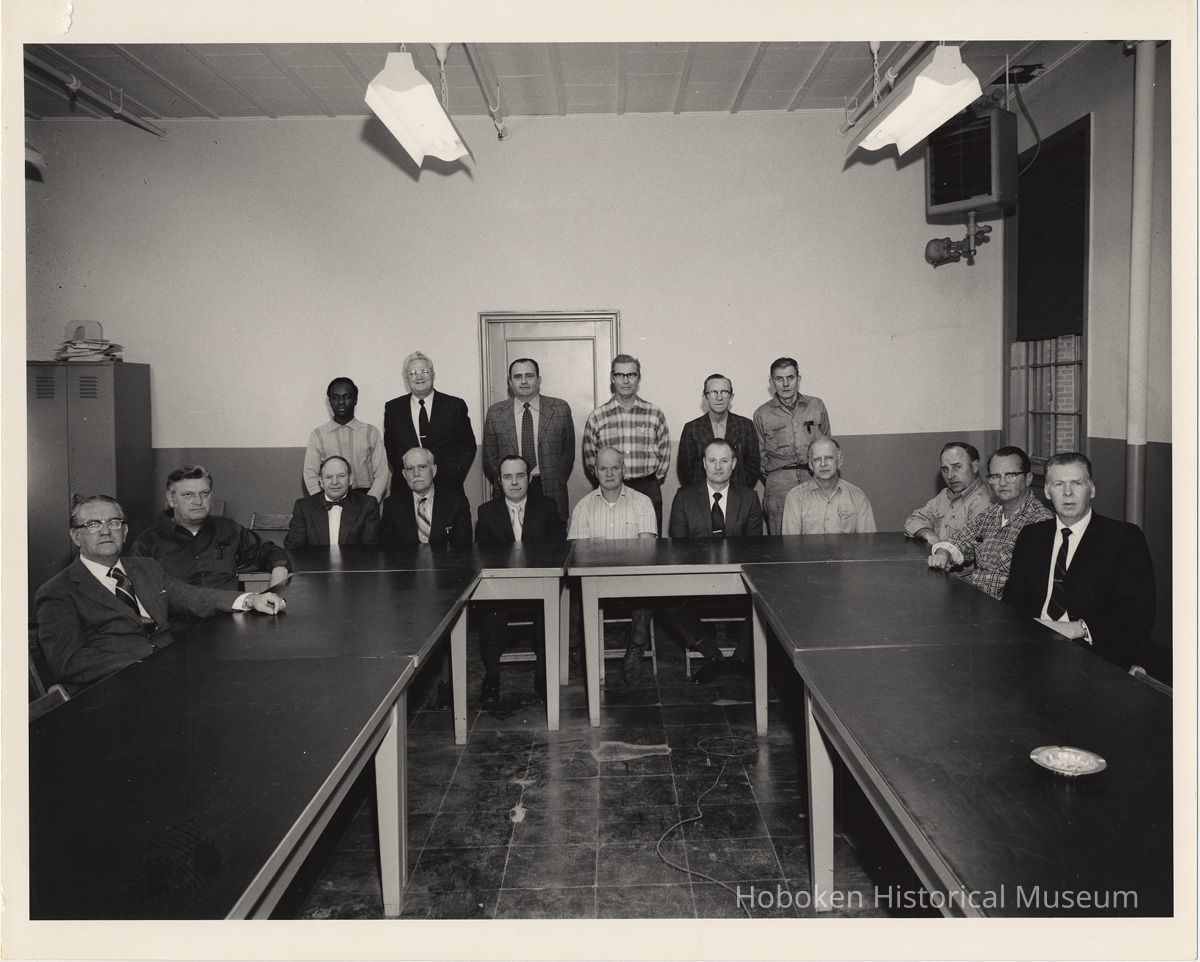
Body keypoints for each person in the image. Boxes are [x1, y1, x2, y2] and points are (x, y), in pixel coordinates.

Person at [36, 495, 286, 692]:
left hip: (172, 678)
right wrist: (148, 661)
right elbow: (69, 663)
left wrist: (250, 599)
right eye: (93, 524)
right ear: (76, 536)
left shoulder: (146, 567)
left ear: (124, 532)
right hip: (111, 689)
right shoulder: (58, 592)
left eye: (113, 523)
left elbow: (190, 596)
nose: (105, 531)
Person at [1003, 452, 1156, 671]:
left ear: (1091, 489)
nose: (1067, 493)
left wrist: (1079, 628)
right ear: (1047, 491)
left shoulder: (1123, 537)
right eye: (1058, 484)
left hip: (1091, 651)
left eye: (1076, 483)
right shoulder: (1031, 535)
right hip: (1034, 648)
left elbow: (1139, 611)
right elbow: (1013, 600)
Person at [665, 439, 764, 682]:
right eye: (712, 460)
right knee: (664, 599)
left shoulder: (749, 498)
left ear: (734, 464)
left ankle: (740, 658)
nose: (718, 466)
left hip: (737, 583)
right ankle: (713, 657)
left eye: (724, 460)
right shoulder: (684, 498)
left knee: (766, 599)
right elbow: (679, 548)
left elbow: (753, 550)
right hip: (696, 584)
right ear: (703, 464)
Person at [474, 454, 567, 704]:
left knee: (547, 607)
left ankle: (543, 674)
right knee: (490, 609)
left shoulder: (546, 507)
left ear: (529, 479)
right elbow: (484, 557)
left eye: (520, 476)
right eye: (507, 477)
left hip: (539, 583)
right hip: (502, 587)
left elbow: (558, 549)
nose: (514, 482)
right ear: (499, 482)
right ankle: (492, 676)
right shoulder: (486, 513)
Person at [567, 446, 657, 682]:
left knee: (647, 586)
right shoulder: (582, 507)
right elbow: (578, 555)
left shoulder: (643, 503)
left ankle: (636, 649)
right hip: (592, 582)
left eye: (615, 468)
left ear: (623, 470)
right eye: (603, 468)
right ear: (595, 471)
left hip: (631, 581)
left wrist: (599, 546)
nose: (609, 474)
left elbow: (646, 551)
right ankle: (576, 651)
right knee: (570, 589)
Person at [130, 465, 290, 590]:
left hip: (228, 619)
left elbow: (270, 551)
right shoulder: (147, 543)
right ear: (171, 499)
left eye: (204, 493)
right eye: (188, 495)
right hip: (177, 625)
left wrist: (279, 571)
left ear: (211, 496)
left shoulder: (228, 529)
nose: (198, 501)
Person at [927, 445, 1054, 599]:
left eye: (1011, 475)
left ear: (1028, 479)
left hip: (1007, 610)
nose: (1002, 482)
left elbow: (1029, 590)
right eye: (995, 476)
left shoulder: (1041, 522)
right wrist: (944, 553)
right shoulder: (991, 514)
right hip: (974, 599)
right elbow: (960, 540)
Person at [581, 354, 671, 533]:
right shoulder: (598, 416)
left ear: (638, 378)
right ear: (613, 378)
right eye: (620, 375)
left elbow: (665, 453)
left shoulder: (654, 414)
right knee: (612, 541)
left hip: (647, 487)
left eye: (631, 375)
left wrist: (649, 480)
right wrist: (609, 480)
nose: (626, 380)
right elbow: (591, 458)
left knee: (650, 548)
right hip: (611, 488)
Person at [481, 357, 575, 524]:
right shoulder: (495, 413)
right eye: (518, 377)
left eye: (529, 376)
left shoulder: (560, 409)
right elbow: (490, 458)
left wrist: (555, 477)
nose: (523, 381)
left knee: (552, 544)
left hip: (549, 488)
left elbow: (567, 455)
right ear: (510, 382)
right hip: (512, 488)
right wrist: (508, 481)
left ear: (538, 380)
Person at [753, 357, 832, 534]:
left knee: (818, 534)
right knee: (781, 541)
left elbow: (828, 445)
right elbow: (759, 456)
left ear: (799, 378)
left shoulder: (816, 406)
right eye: (779, 379)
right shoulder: (762, 413)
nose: (786, 384)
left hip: (814, 479)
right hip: (779, 486)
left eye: (791, 377)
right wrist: (776, 477)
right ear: (772, 382)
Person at [382, 352, 477, 495]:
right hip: (406, 490)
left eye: (424, 371)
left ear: (433, 375)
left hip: (448, 489)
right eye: (413, 373)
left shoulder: (454, 406)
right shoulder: (393, 408)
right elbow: (391, 449)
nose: (419, 376)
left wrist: (451, 477)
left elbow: (467, 447)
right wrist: (412, 476)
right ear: (406, 377)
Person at [302, 377, 389, 504]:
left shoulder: (371, 432)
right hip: (331, 498)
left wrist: (371, 501)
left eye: (346, 396)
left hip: (365, 497)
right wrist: (322, 502)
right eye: (335, 397)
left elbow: (382, 473)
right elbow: (310, 474)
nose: (341, 402)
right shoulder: (318, 435)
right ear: (329, 401)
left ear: (355, 400)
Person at [676, 373, 760, 490]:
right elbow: (685, 471)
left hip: (737, 498)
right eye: (714, 392)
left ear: (731, 396)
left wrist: (739, 493)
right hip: (701, 500)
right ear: (705, 397)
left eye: (724, 392)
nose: (719, 397)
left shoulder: (746, 426)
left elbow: (753, 467)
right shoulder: (692, 429)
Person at [904, 441, 994, 545]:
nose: (950, 476)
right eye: (945, 469)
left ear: (975, 466)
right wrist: (929, 534)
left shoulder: (984, 502)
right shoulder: (946, 494)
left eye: (957, 467)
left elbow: (969, 548)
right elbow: (914, 519)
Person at [780, 437, 875, 534]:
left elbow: (867, 543)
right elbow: (791, 546)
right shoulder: (795, 497)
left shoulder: (857, 497)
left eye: (829, 458)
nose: (823, 464)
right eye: (817, 459)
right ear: (810, 465)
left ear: (840, 461)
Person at [380, 447, 472, 546]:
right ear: (404, 475)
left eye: (422, 467)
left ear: (434, 470)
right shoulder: (392, 506)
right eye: (410, 469)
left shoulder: (457, 503)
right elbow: (389, 553)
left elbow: (464, 551)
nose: (416, 473)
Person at [285, 455, 382, 549]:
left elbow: (371, 551)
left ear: (350, 479)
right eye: (328, 477)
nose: (335, 482)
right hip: (316, 565)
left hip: (354, 565)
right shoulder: (303, 507)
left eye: (341, 476)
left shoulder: (368, 505)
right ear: (321, 481)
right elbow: (294, 550)